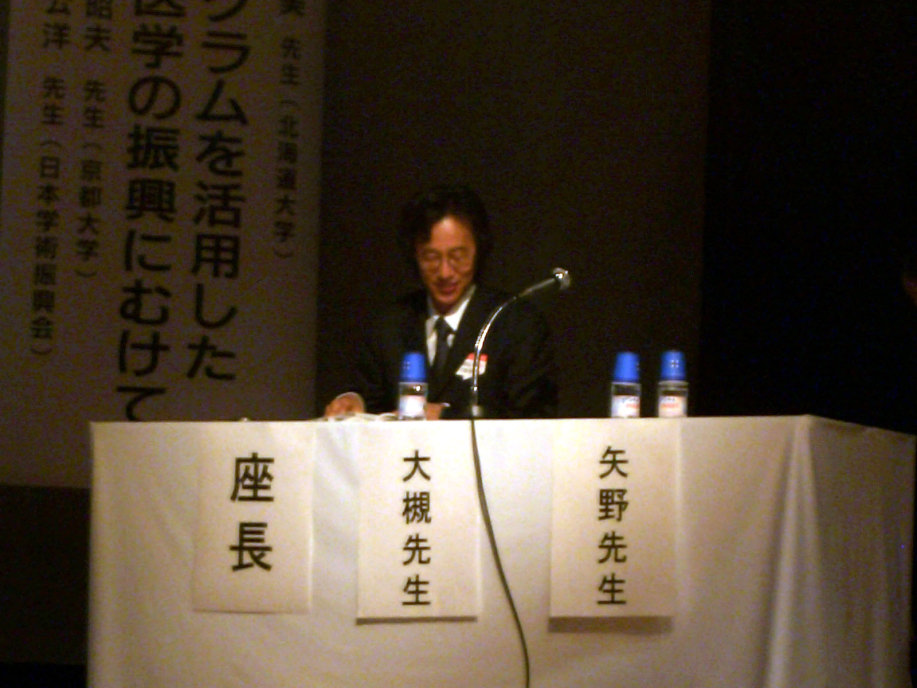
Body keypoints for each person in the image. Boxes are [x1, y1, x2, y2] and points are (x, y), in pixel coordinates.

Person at [324, 184, 558, 419]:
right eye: (431, 257)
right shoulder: (390, 325)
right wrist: (354, 401)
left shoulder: (515, 323)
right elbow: (370, 399)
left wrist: (446, 415)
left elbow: (534, 415)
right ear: (414, 255)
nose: (445, 272)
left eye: (458, 257)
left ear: (478, 250)